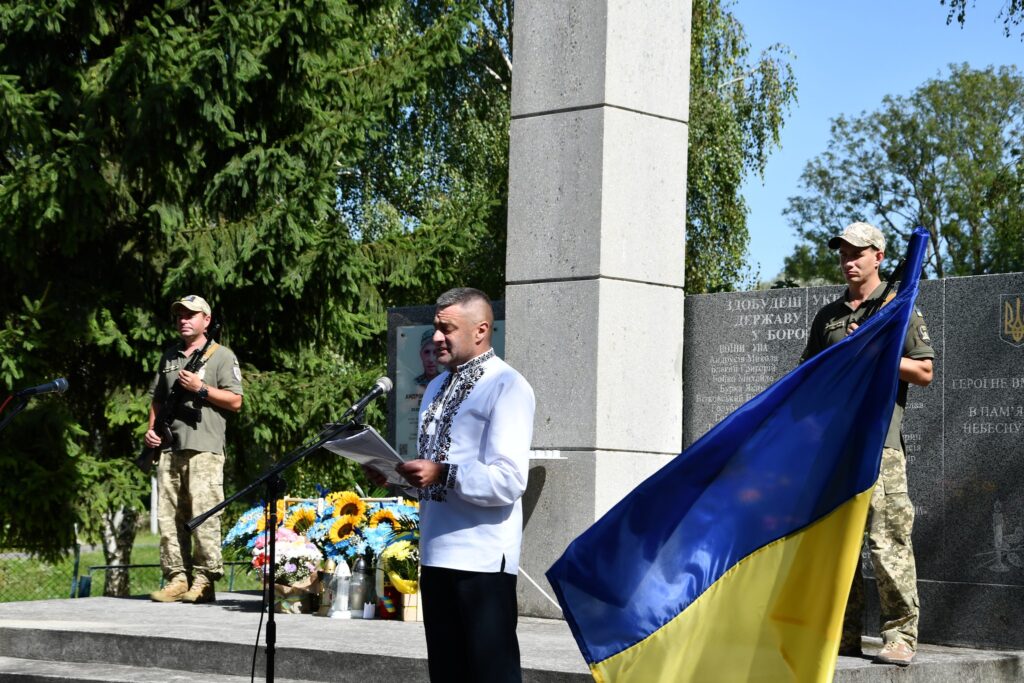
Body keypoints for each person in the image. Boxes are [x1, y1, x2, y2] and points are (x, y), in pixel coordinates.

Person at [800, 222, 934, 667]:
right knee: (840, 545)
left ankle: (900, 635)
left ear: (879, 255)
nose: (848, 261)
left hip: (881, 444)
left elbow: (924, 372)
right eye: (842, 253)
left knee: (888, 541)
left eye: (857, 252)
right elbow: (808, 378)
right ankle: (844, 633)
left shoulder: (899, 308)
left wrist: (876, 353)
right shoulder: (828, 318)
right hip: (836, 447)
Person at [393, 287, 535, 682]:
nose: (436, 337)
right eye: (435, 327)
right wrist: (399, 477)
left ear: (481, 330)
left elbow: (509, 480)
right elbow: (432, 478)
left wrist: (443, 472)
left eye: (447, 328)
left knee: (491, 674)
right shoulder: (437, 387)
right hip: (436, 552)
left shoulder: (507, 386)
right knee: (447, 673)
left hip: (483, 559)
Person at [146, 295, 243, 604]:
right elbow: (158, 399)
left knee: (204, 515)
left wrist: (200, 389)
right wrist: (152, 430)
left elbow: (236, 401)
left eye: (190, 315)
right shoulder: (169, 357)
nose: (183, 320)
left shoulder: (221, 355)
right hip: (170, 448)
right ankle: (176, 577)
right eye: (179, 315)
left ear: (207, 320)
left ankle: (204, 578)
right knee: (168, 516)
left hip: (205, 447)